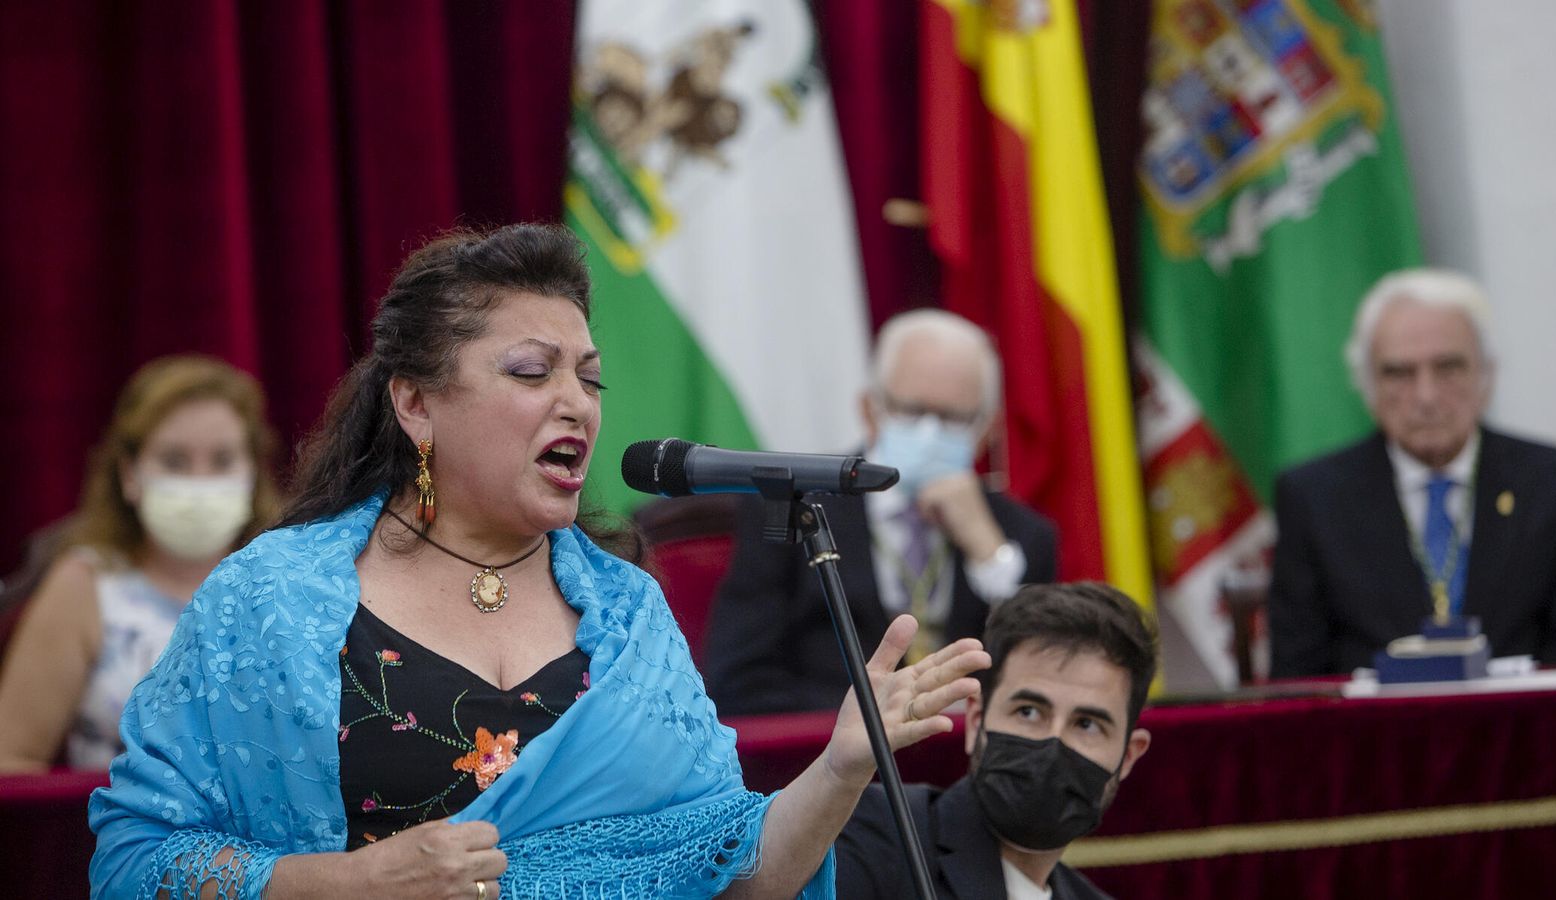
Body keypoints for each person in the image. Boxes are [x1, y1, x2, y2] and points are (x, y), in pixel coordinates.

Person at [88, 223, 990, 900]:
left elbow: (729, 878)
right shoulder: (270, 598)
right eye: (531, 372)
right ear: (415, 403)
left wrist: (838, 768)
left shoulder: (628, 615)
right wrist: (348, 884)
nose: (578, 404)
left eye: (589, 379)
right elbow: (138, 860)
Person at [704, 309, 1058, 715]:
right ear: (870, 410)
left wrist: (990, 557)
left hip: (963, 747)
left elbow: (1044, 684)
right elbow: (738, 680)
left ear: (987, 429)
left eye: (954, 418)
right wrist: (871, 724)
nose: (929, 433)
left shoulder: (1023, 535)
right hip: (831, 743)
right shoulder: (792, 503)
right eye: (911, 411)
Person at [1269, 269, 1556, 678]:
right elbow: (1298, 678)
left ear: (1487, 376)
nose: (1425, 396)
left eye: (1448, 368)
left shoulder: (1555, 484)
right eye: (1399, 373)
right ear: (1368, 387)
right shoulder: (1313, 498)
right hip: (1374, 719)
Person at [0, 355, 279, 772]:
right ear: (129, 474)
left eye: (222, 460)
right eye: (174, 461)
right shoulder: (84, 585)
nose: (200, 483)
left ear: (252, 472)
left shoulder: (285, 584)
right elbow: (10, 762)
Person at [835, 582, 1154, 899]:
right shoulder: (880, 829)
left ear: (1128, 757)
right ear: (976, 721)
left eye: (1087, 724)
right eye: (1028, 711)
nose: (1053, 745)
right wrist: (832, 775)